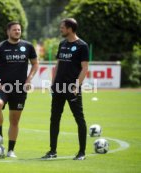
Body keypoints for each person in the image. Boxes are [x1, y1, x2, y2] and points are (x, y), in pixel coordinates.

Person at [0, 21, 39, 158]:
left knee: (14, 121)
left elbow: (35, 63)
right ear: (8, 32)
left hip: (20, 89)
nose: (17, 32)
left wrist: (29, 79)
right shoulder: (0, 47)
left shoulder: (27, 46)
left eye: (19, 30)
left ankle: (10, 150)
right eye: (14, 30)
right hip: (2, 86)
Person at [41, 18, 89, 160]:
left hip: (72, 88)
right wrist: (53, 83)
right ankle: (52, 151)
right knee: (54, 118)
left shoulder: (82, 46)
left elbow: (85, 68)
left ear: (70, 28)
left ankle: (81, 153)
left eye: (62, 27)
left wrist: (76, 85)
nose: (60, 29)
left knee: (79, 119)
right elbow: (58, 65)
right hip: (58, 87)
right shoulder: (62, 44)